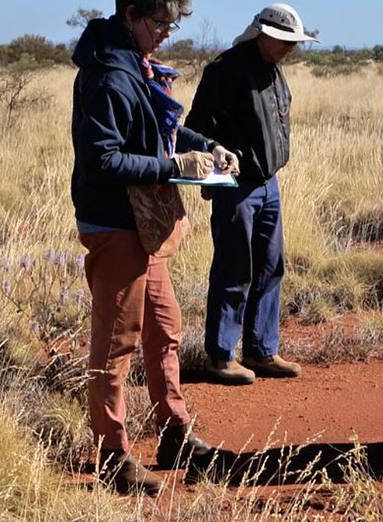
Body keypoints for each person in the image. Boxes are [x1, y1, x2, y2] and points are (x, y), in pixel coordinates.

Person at [71, 0, 239, 496]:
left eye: (173, 23)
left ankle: (174, 435)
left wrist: (206, 147)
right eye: (160, 22)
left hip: (145, 226)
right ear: (130, 15)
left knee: (164, 329)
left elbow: (159, 128)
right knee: (117, 343)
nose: (167, 32)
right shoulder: (106, 74)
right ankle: (112, 455)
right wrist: (172, 167)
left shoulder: (133, 62)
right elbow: (104, 159)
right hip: (115, 222)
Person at [185, 4, 317, 385]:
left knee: (270, 266)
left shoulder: (274, 71)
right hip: (235, 186)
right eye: (285, 41)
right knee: (234, 267)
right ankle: (221, 356)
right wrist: (212, 178)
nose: (291, 49)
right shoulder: (225, 70)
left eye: (294, 42)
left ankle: (261, 350)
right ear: (263, 33)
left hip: (268, 184)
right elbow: (196, 130)